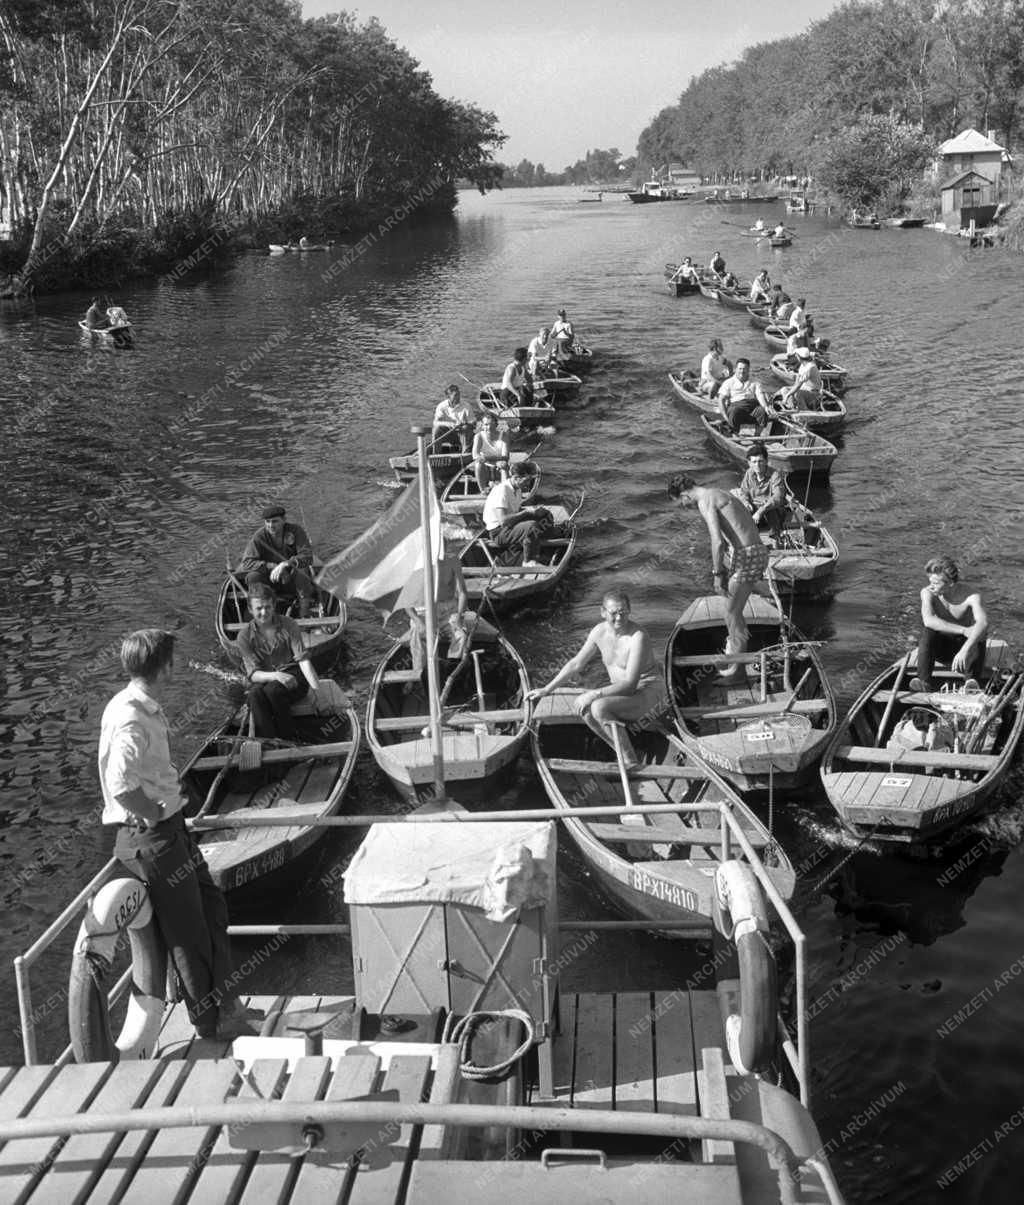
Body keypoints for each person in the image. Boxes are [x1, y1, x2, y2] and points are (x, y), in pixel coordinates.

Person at [99, 629, 252, 1041]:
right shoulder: (131, 717)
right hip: (155, 835)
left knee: (212, 906)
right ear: (163, 666)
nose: (176, 666)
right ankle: (208, 1024)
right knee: (187, 933)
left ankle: (226, 1000)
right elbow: (119, 784)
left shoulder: (134, 705)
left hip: (171, 829)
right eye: (172, 660)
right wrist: (152, 815)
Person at [526, 590, 665, 764]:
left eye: (623, 612)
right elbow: (577, 663)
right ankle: (622, 751)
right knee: (584, 709)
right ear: (603, 612)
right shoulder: (599, 632)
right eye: (613, 613)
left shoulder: (638, 637)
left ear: (629, 611)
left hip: (649, 692)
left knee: (598, 707)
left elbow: (630, 685)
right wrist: (547, 689)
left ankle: (631, 762)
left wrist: (593, 694)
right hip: (624, 693)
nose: (619, 618)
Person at [667, 476, 769, 681]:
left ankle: (737, 671)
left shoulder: (705, 501)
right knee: (733, 612)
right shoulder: (718, 492)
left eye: (681, 503)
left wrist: (717, 574)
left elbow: (718, 542)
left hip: (748, 555)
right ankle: (736, 660)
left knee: (731, 613)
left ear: (684, 494)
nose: (684, 507)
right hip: (755, 552)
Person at [236, 583, 320, 740]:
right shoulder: (244, 636)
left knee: (273, 691)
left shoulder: (289, 625)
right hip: (267, 678)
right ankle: (269, 741)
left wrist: (318, 692)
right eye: (259, 608)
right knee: (254, 694)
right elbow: (253, 674)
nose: (264, 612)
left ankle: (288, 738)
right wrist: (276, 675)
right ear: (250, 610)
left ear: (274, 605)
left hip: (294, 677)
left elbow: (303, 661)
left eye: (267, 607)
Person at [910, 556, 988, 692]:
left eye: (936, 583)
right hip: (939, 648)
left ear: (950, 583)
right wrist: (963, 630)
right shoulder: (927, 593)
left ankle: (971, 682)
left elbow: (983, 622)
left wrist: (964, 650)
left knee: (979, 632)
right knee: (928, 630)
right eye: (930, 581)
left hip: (966, 650)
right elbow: (928, 620)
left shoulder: (972, 595)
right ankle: (923, 681)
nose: (931, 586)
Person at [238, 504, 316, 618]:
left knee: (302, 570)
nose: (271, 525)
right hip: (270, 581)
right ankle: (263, 611)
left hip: (293, 581)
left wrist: (286, 564)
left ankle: (304, 612)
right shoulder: (259, 536)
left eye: (275, 521)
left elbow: (307, 556)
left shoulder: (296, 531)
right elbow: (247, 562)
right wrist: (272, 566)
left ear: (284, 520)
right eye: (267, 522)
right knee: (253, 577)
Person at [483, 461, 547, 567]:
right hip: (499, 532)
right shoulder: (502, 490)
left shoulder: (517, 490)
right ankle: (528, 561)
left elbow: (515, 511)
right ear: (516, 477)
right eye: (526, 481)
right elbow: (504, 521)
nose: (527, 484)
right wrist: (526, 512)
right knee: (531, 526)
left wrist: (534, 511)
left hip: (510, 526)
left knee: (545, 515)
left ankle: (540, 543)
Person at [737, 442, 788, 537]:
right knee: (741, 513)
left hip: (771, 511)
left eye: (760, 461)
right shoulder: (749, 473)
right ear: (749, 463)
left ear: (766, 461)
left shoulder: (775, 475)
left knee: (771, 511)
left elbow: (778, 498)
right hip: (755, 508)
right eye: (754, 462)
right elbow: (744, 491)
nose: (757, 465)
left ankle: (775, 537)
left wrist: (761, 511)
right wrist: (746, 502)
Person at [717, 358, 769, 434]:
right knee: (734, 411)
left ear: (748, 370)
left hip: (752, 407)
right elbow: (721, 400)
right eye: (740, 368)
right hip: (736, 407)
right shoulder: (728, 382)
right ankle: (734, 434)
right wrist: (725, 417)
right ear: (736, 369)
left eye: (744, 369)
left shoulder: (755, 381)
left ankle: (757, 436)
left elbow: (760, 395)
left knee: (762, 411)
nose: (742, 371)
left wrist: (765, 406)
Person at [432, 384, 478, 452]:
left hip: (461, 434)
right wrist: (449, 424)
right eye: (455, 395)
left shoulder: (466, 406)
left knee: (466, 428)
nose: (458, 397)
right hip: (448, 433)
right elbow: (435, 422)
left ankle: (465, 453)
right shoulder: (441, 406)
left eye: (459, 394)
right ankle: (436, 454)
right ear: (448, 396)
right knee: (437, 429)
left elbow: (473, 422)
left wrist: (466, 423)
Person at [472, 411, 510, 491]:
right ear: (482, 425)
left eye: (491, 425)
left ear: (496, 425)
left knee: (503, 464)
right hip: (485, 464)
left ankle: (504, 490)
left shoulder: (504, 436)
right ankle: (483, 490)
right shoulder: (479, 436)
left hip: (498, 462)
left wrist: (487, 457)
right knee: (478, 464)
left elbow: (506, 456)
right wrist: (486, 459)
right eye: (486, 425)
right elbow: (475, 455)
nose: (489, 427)